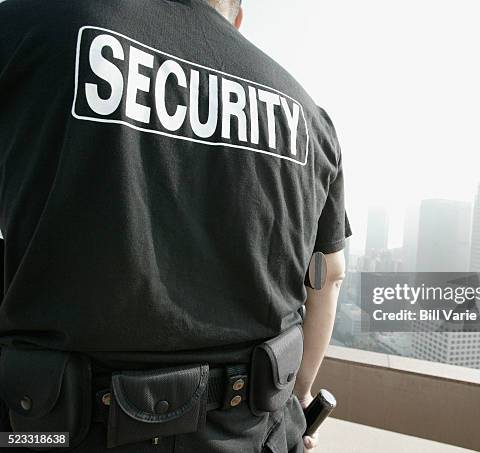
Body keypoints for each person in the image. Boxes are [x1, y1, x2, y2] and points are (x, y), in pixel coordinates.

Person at [0, 0, 351, 452]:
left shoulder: (28, 29)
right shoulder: (307, 114)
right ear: (237, 17)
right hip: (250, 431)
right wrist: (299, 398)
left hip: (45, 432)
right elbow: (329, 275)